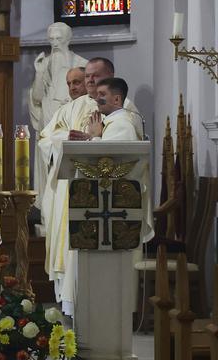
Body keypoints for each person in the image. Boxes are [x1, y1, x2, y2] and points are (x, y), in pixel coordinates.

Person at [37, 57, 141, 315]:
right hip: (71, 188)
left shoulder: (124, 109)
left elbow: (122, 152)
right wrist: (68, 139)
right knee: (73, 249)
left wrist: (92, 139)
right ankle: (73, 306)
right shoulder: (73, 107)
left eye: (96, 76)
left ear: (111, 76)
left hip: (106, 197)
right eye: (88, 77)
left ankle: (99, 310)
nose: (91, 81)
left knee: (91, 247)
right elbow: (46, 138)